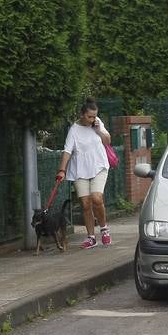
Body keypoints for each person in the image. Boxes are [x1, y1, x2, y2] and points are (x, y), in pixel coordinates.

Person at [56, 99, 113, 250]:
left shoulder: (97, 123)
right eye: (90, 117)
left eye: (94, 116)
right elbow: (67, 151)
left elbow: (107, 141)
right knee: (86, 203)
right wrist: (62, 170)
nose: (92, 119)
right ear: (82, 114)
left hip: (99, 166)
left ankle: (104, 229)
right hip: (80, 170)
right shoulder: (73, 130)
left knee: (96, 198)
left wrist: (98, 129)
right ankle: (91, 237)